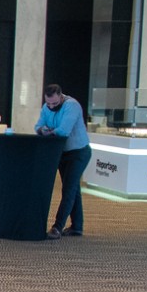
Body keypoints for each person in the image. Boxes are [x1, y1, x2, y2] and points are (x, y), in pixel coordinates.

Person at [35, 84, 92, 239]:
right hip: (61, 152)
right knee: (73, 189)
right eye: (48, 103)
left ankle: (57, 227)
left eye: (54, 103)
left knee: (68, 189)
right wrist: (43, 130)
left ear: (61, 96)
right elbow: (38, 126)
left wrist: (47, 131)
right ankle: (77, 227)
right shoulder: (46, 107)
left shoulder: (71, 106)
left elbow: (63, 130)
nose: (51, 107)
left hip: (79, 152)